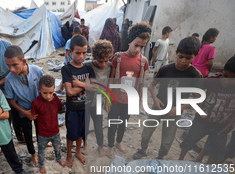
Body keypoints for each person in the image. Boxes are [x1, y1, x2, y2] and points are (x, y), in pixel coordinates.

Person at [133, 36, 203, 160]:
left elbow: (198, 98)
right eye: (181, 57)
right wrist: (155, 99)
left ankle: (160, 156)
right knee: (146, 133)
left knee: (167, 139)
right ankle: (143, 150)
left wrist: (180, 108)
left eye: (188, 58)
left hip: (174, 112)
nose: (183, 61)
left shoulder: (195, 75)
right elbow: (152, 86)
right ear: (176, 53)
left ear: (195, 56)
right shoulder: (166, 69)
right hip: (158, 107)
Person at [105, 22, 151, 158]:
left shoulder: (143, 62)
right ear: (129, 41)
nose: (138, 49)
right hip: (115, 99)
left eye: (142, 46)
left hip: (129, 100)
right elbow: (111, 79)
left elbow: (141, 83)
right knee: (112, 123)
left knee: (123, 124)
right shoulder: (118, 58)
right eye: (136, 45)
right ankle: (110, 146)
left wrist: (139, 101)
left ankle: (118, 142)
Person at [179, 56, 235, 163]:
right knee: (188, 141)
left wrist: (228, 126)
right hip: (201, 121)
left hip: (221, 126)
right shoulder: (210, 82)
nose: (227, 81)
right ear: (222, 71)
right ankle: (179, 161)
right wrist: (198, 106)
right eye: (226, 76)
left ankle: (207, 168)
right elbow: (196, 91)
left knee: (215, 151)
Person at [4, 45, 42, 167]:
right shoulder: (9, 79)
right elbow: (10, 99)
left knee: (41, 131)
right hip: (24, 111)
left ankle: (41, 150)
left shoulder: (37, 71)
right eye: (8, 65)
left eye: (15, 65)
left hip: (39, 110)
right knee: (27, 134)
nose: (11, 69)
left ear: (24, 61)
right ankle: (33, 155)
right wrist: (24, 112)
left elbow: (44, 89)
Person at [61, 35, 96, 167]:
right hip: (72, 110)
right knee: (71, 134)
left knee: (81, 132)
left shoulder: (88, 68)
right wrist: (86, 85)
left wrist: (79, 84)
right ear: (70, 52)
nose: (81, 56)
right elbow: (69, 92)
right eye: (78, 53)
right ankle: (69, 154)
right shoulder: (67, 69)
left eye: (84, 52)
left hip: (85, 108)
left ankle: (77, 152)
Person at [31, 75, 66, 174]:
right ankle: (41, 165)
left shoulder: (56, 100)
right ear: (39, 90)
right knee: (41, 150)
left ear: (54, 89)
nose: (48, 96)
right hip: (42, 134)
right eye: (44, 93)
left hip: (55, 131)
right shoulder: (36, 103)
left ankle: (58, 158)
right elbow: (34, 115)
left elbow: (59, 109)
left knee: (57, 147)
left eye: (51, 92)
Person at [86, 39, 114, 156]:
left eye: (106, 61)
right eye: (100, 61)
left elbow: (109, 85)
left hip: (99, 101)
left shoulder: (110, 67)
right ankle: (85, 144)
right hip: (87, 101)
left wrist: (107, 101)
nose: (103, 64)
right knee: (85, 126)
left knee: (98, 126)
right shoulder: (87, 66)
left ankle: (100, 146)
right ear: (95, 56)